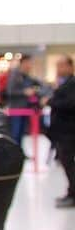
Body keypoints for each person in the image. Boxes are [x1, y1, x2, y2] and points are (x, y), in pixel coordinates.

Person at [45, 54, 75, 207]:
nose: (59, 69)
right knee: (66, 162)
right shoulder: (62, 83)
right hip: (62, 131)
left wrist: (51, 101)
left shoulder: (72, 84)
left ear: (70, 66)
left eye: (61, 65)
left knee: (69, 163)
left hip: (69, 131)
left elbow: (69, 103)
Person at [1, 55, 42, 148]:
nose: (29, 66)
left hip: (25, 109)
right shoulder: (14, 74)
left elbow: (39, 85)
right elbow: (10, 91)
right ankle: (14, 152)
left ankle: (19, 151)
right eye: (28, 63)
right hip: (16, 110)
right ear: (23, 63)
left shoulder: (27, 76)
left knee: (21, 133)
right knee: (15, 132)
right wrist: (24, 92)